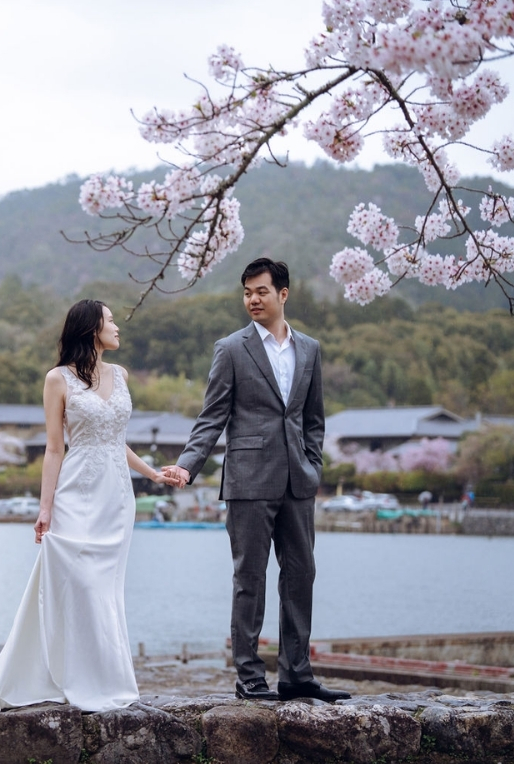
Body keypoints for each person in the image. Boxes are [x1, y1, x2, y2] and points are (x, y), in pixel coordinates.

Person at [0, 299, 177, 713]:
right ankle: (64, 674)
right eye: (111, 321)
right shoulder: (57, 379)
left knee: (105, 587)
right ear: (93, 328)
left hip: (116, 498)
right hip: (76, 492)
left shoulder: (121, 375)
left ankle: (106, 679)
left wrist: (152, 474)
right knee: (75, 581)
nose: (117, 327)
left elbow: (115, 438)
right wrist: (45, 508)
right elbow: (55, 448)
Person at [162, 258, 349, 703]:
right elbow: (212, 418)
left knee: (301, 574)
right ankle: (249, 677)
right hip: (247, 481)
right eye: (247, 292)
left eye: (261, 291)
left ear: (283, 294)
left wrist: (313, 462)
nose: (252, 299)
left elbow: (313, 418)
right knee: (250, 578)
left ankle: (296, 674)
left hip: (298, 482)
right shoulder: (230, 349)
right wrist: (189, 465)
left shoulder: (310, 349)